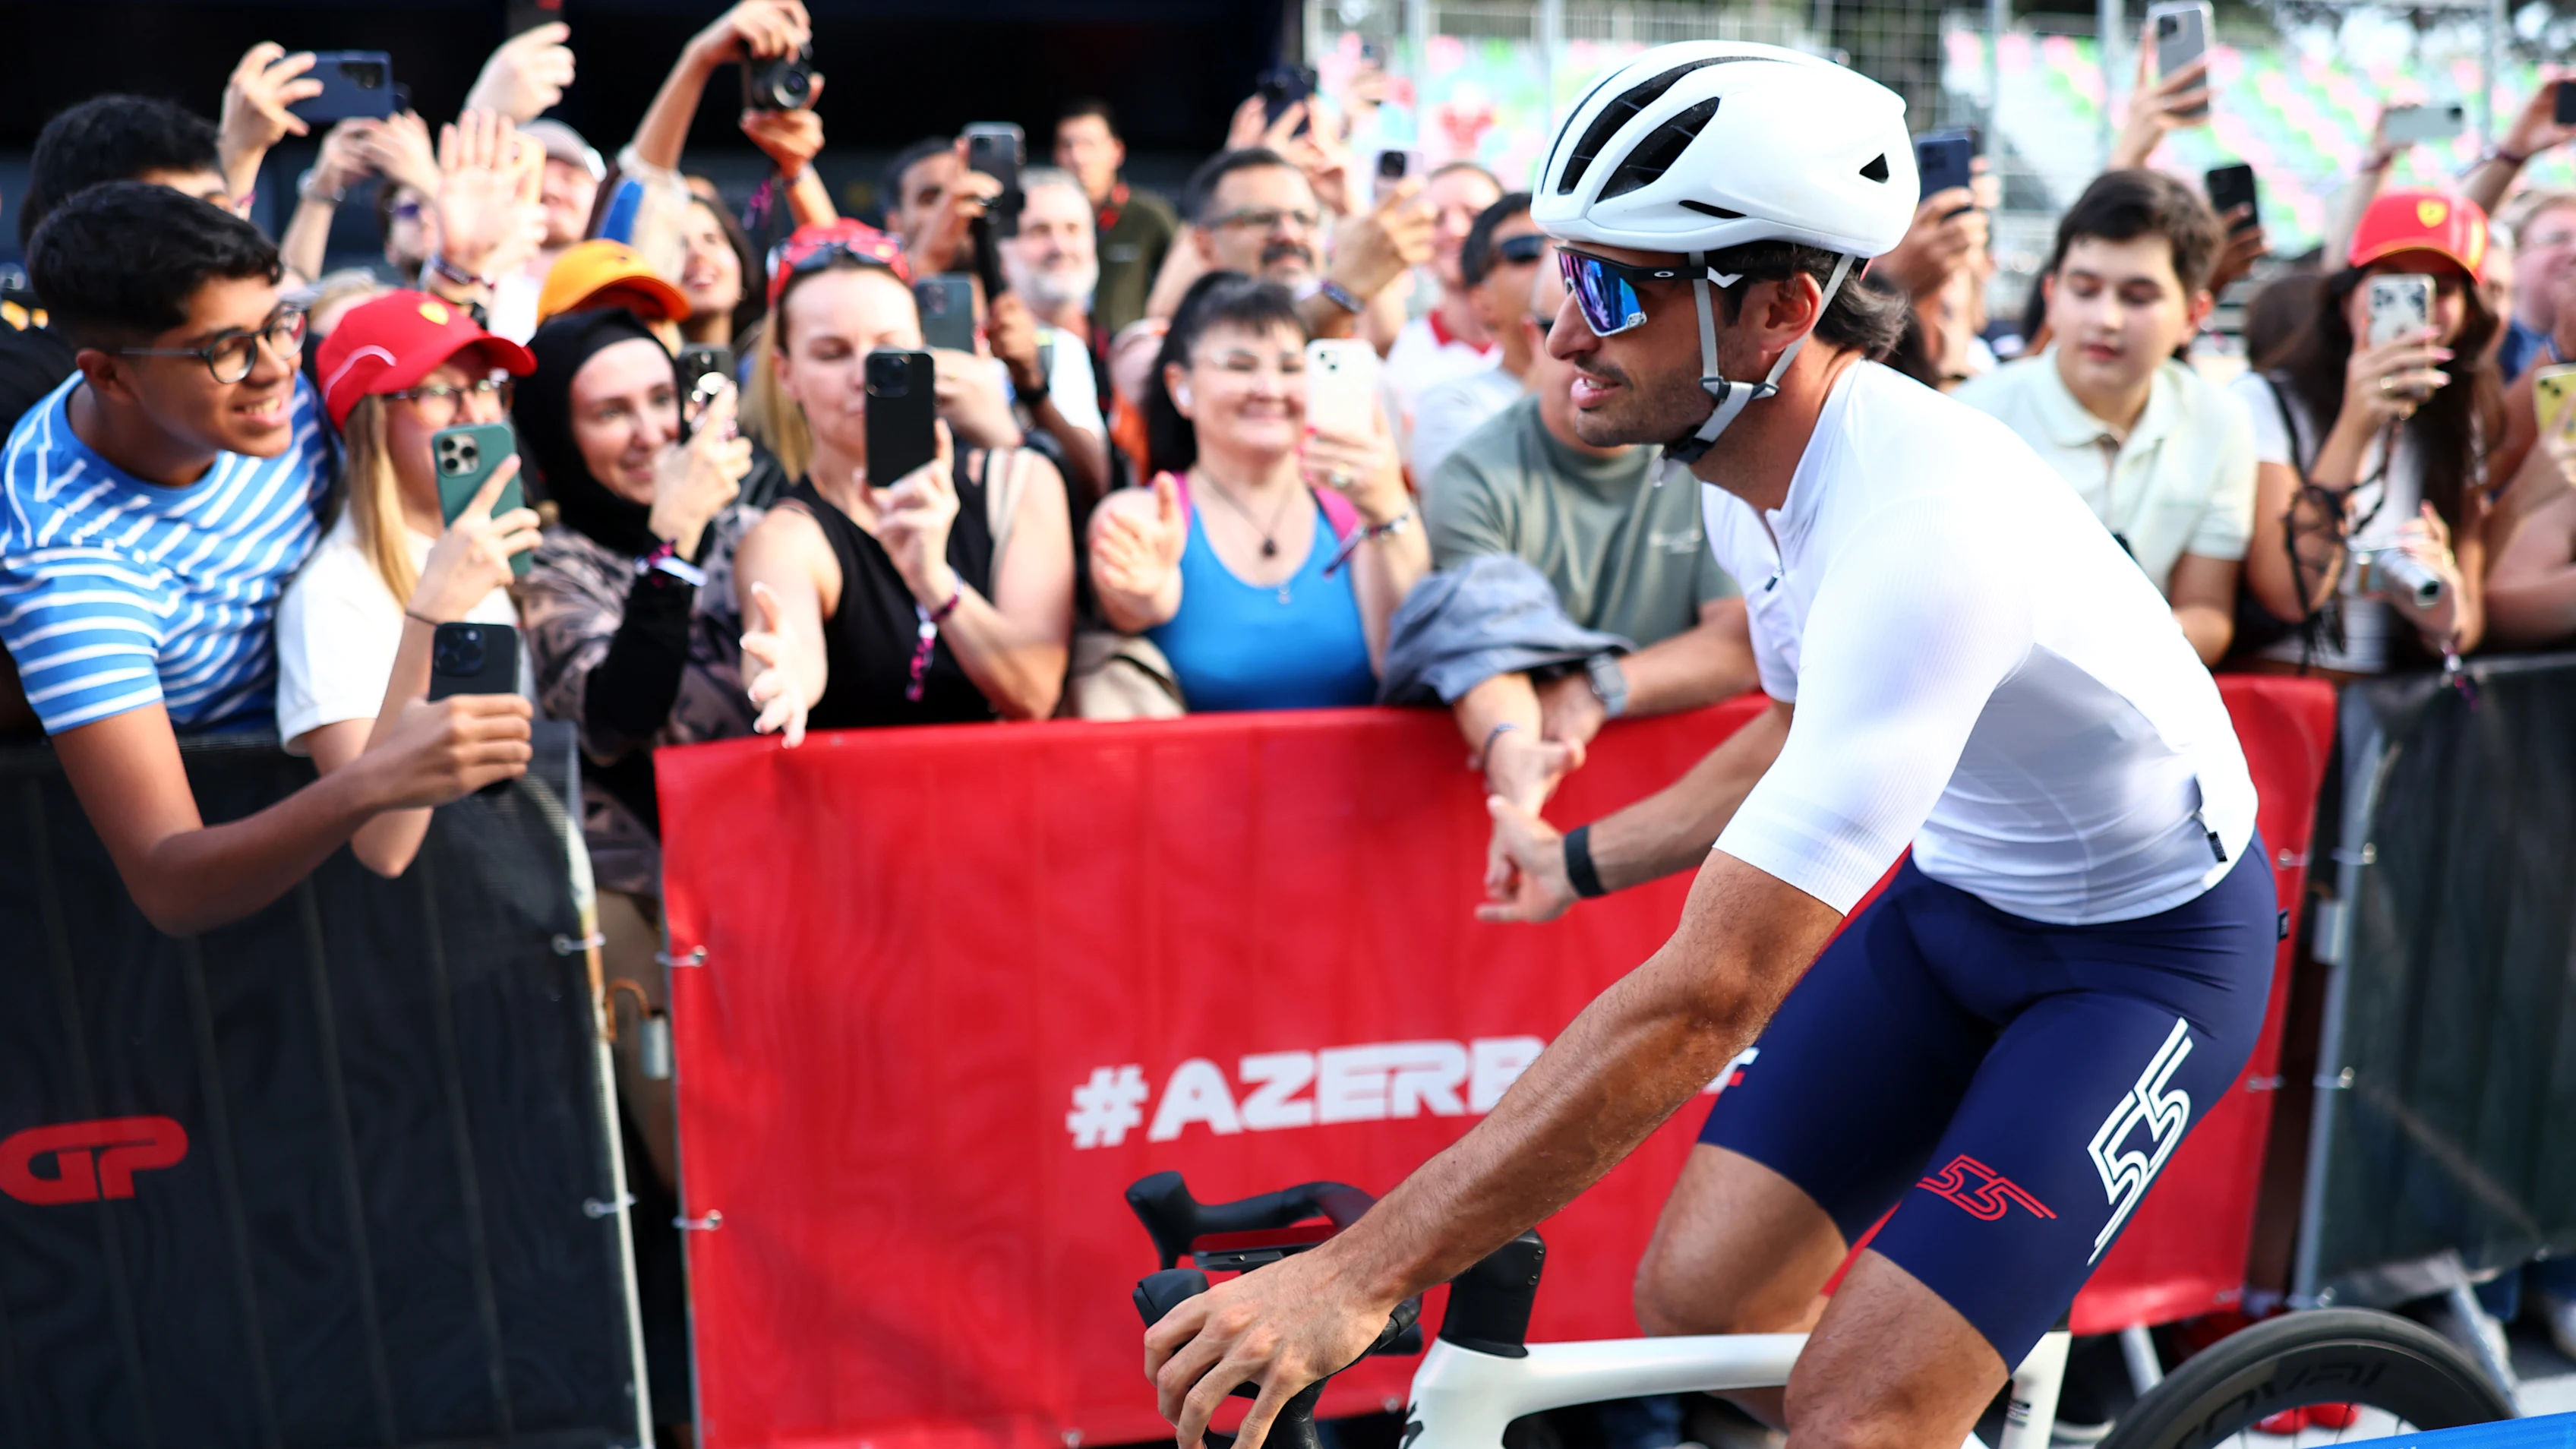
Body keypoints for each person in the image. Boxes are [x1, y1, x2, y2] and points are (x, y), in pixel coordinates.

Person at [1143, 45, 2274, 1449]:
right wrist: (1574, 856)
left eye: (1614, 291)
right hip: (1961, 899)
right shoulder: (1745, 467)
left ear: (1775, 315)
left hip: (2140, 960)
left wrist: (1359, 1274)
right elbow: (1796, 730)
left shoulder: (1922, 534)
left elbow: (1707, 998)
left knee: (1856, 1415)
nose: (1561, 332)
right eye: (1564, 275)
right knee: (1694, 1299)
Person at [0, 184, 530, 936]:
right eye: (226, 349)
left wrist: (454, 275)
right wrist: (375, 778)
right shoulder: (66, 566)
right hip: (241, 941)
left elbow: (397, 378)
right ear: (111, 376)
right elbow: (169, 878)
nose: (280, 369)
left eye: (282, 323)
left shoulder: (277, 386)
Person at [1425, 250, 1754, 816]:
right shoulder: (1471, 475)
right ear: (1533, 339)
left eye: (1611, 318)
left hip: (1671, 797)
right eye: (1559, 324)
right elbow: (1482, 651)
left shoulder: (1710, 455)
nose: (1579, 346)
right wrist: (1516, 755)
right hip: (1539, 800)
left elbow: (1741, 644)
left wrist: (1600, 687)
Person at [732, 223, 1075, 741]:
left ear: (923, 349)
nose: (863, 374)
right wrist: (781, 674)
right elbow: (789, 643)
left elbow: (1036, 691)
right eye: (830, 353)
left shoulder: (1019, 483)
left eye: (889, 349)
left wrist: (934, 579)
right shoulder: (786, 536)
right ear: (786, 374)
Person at [275, 292, 541, 878]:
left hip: (526, 899)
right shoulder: (334, 594)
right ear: (370, 420)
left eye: (487, 387)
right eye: (440, 392)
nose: (475, 414)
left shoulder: (488, 546)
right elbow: (380, 845)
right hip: (439, 928)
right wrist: (431, 619)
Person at [1087, 272, 1426, 712]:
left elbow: (1408, 662)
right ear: (1180, 387)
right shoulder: (1144, 516)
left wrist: (1388, 509)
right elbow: (1132, 606)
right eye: (1241, 366)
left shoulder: (1359, 511)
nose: (1269, 390)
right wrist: (1145, 597)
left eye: (1290, 368)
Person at [1954, 170, 2253, 665]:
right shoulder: (1972, 419)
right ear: (2051, 295)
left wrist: (2115, 650)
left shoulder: (2222, 423)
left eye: (2138, 298)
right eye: (2085, 289)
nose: (2106, 319)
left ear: (2195, 314)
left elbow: (2207, 611)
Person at [2230, 190, 2496, 677]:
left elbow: (2466, 626)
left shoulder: (2461, 420)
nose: (2422, 307)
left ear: (2470, 314)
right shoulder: (2263, 401)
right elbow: (2290, 593)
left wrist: (2442, 597)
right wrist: (2357, 424)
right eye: (2393, 283)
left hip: (2392, 713)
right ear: (2347, 294)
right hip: (2281, 700)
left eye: (2444, 288)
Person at [1, 95, 236, 435]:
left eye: (219, 209)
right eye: (176, 218)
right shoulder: (19, 388)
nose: (215, 238)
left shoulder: (289, 356)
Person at [1166, 147, 1432, 346]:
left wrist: (1347, 208)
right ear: (1205, 247)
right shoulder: (1170, 344)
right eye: (1261, 219)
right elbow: (1271, 347)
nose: (1290, 235)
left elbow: (1386, 339)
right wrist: (1342, 294)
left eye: (1304, 219)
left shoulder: (1344, 340)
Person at [1409, 194, 1547, 481]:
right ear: (1484, 303)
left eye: (1568, 246)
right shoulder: (1452, 405)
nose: (1557, 263)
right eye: (1527, 253)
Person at [996, 168, 1113, 500]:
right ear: (1004, 252)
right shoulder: (980, 352)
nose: (1059, 246)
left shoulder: (1122, 347)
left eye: (1073, 229)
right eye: (1039, 231)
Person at [1381, 163, 1506, 427]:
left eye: (1474, 215)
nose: (1455, 230)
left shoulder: (1551, 343)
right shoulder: (1404, 356)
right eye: (1436, 220)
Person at [1057, 99, 1179, 340]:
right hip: (1058, 347)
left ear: (1117, 151)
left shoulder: (1149, 215)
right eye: (1067, 145)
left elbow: (1182, 278)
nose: (1078, 157)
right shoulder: (1041, 217)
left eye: (1089, 144)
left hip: (1127, 352)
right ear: (1055, 154)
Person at [2498, 192, 2576, 381]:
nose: (2574, 251)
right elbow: (2493, 412)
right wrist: (2560, 347)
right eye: (2558, 239)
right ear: (2514, 257)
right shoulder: (2489, 338)